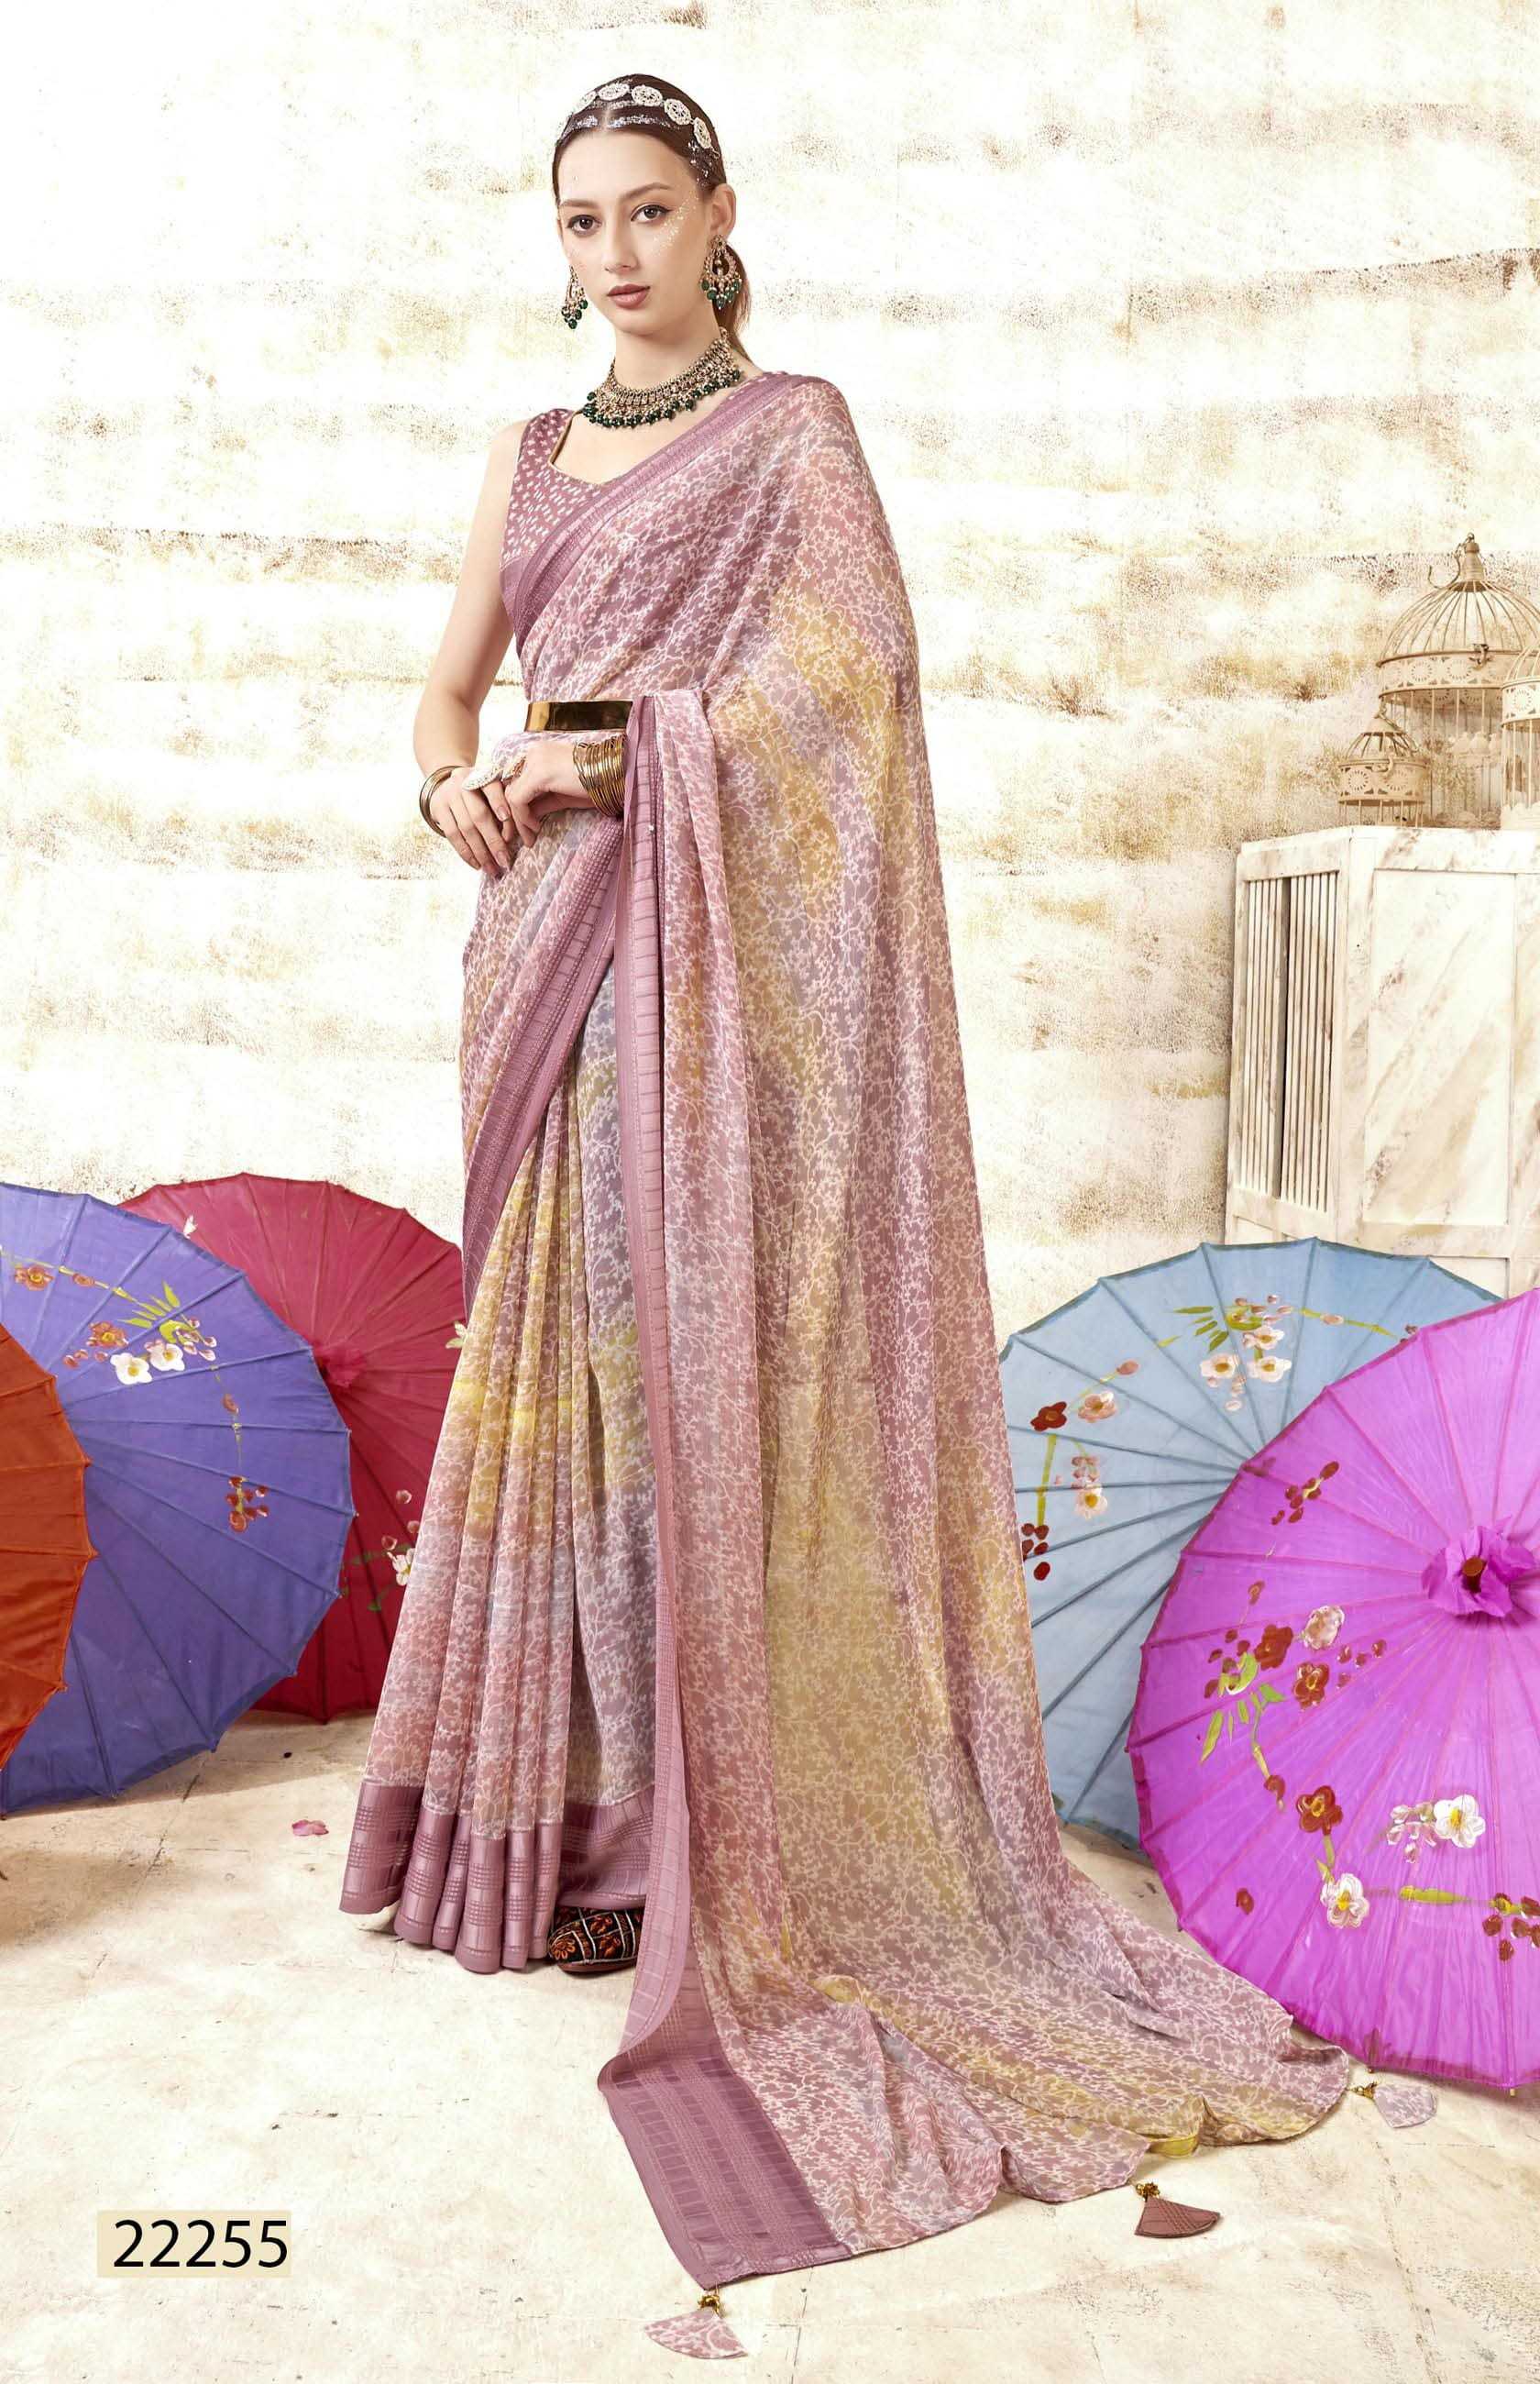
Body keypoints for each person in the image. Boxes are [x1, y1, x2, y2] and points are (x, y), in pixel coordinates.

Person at [339, 72, 1350, 2340]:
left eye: (649, 211)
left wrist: (610, 750)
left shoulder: (793, 436)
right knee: (570, 1381)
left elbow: (842, 695)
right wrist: (451, 787)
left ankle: (698, 1845)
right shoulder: (527, 453)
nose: (615, 253)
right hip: (548, 952)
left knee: (684, 1368)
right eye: (582, 220)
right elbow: (446, 686)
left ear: (720, 217)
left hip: (707, 977)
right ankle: (570, 1826)